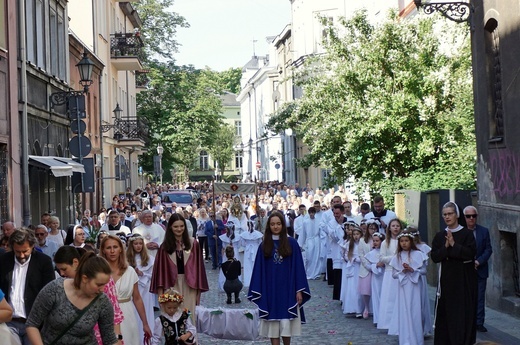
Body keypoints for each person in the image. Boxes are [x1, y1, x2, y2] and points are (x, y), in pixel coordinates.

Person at [25, 252, 118, 345]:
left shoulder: (103, 301)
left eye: (105, 284)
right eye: (99, 285)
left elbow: (109, 338)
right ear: (85, 278)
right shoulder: (55, 289)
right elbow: (32, 324)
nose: (103, 289)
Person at [248, 212, 311, 345]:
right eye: (272, 224)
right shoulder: (264, 245)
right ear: (268, 226)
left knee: (286, 323)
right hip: (270, 290)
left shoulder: (292, 243)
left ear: (283, 225)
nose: (275, 227)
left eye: (278, 224)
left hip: (287, 288)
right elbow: (259, 270)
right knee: (273, 325)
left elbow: (298, 267)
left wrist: (298, 290)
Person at [150, 213, 209, 325]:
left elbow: (198, 270)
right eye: (176, 226)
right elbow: (161, 273)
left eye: (181, 226)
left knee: (190, 319)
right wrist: (161, 295)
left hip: (189, 285)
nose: (179, 229)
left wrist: (198, 294)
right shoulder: (164, 247)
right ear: (171, 227)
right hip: (171, 286)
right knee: (172, 320)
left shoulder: (193, 244)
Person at [431, 201, 477, 345]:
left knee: (462, 315)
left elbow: (470, 254)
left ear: (457, 215)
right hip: (446, 281)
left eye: (450, 214)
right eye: (444, 214)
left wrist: (454, 245)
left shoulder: (467, 234)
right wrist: (445, 247)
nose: (447, 217)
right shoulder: (440, 236)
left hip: (463, 281)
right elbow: (435, 257)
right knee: (446, 316)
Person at [0, 228, 55, 345]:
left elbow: (49, 293)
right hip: (9, 323)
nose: (21, 255)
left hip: (34, 324)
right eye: (17, 251)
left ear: (32, 246)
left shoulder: (44, 262)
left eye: (25, 251)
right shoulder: (3, 261)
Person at [100, 235, 152, 345]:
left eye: (115, 247)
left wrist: (145, 323)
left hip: (127, 314)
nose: (112, 251)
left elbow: (137, 298)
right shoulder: (99, 272)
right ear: (103, 250)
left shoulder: (130, 271)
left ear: (121, 249)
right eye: (109, 248)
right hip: (105, 315)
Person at [390, 232, 428, 345]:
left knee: (415, 310)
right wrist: (402, 271)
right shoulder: (397, 256)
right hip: (403, 287)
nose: (404, 243)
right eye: (401, 241)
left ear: (411, 241)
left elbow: (424, 271)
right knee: (405, 310)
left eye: (406, 241)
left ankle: (417, 339)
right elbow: (394, 274)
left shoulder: (418, 254)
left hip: (415, 286)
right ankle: (406, 339)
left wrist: (413, 270)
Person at [463, 205, 493, 333]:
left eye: (473, 216)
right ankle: (467, 322)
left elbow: (488, 249)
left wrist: (478, 261)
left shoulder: (484, 231)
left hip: (480, 269)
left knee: (480, 297)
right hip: (464, 270)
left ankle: (479, 322)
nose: (471, 219)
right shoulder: (461, 232)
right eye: (468, 216)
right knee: (466, 297)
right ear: (464, 217)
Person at [126, 233, 156, 341]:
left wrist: (142, 274)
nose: (138, 246)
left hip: (145, 288)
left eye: (140, 244)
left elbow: (154, 275)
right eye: (135, 244)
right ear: (131, 245)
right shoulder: (127, 258)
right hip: (131, 289)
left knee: (146, 310)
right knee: (133, 312)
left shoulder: (149, 259)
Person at [377, 218, 403, 330]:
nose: (395, 228)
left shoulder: (403, 241)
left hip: (401, 272)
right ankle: (387, 322)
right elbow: (381, 257)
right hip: (389, 272)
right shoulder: (385, 243)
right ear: (389, 228)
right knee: (389, 297)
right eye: (393, 226)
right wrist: (394, 258)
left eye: (397, 226)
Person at [340, 226, 364, 318]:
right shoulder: (350, 244)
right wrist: (352, 259)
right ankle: (353, 308)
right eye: (354, 234)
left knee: (359, 288)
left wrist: (359, 259)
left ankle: (360, 309)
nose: (356, 236)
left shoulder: (363, 244)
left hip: (361, 267)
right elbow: (346, 255)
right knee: (352, 288)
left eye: (357, 234)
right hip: (352, 267)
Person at [365, 232, 385, 326]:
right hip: (376, 278)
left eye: (377, 241)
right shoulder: (371, 254)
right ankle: (377, 318)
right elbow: (367, 266)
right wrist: (375, 265)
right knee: (376, 296)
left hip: (384, 276)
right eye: (374, 241)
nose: (375, 242)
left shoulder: (384, 252)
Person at [298, 207, 322, 280]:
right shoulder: (306, 222)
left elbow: (321, 232)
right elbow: (303, 233)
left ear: (314, 213)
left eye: (313, 212)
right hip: (309, 241)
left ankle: (316, 273)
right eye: (310, 213)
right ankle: (309, 273)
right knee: (309, 258)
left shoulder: (318, 221)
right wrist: (300, 244)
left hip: (317, 240)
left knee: (317, 257)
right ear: (308, 213)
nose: (311, 214)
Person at [238, 220, 263, 287]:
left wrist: (248, 244)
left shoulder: (245, 234)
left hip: (248, 250)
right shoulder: (258, 234)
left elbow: (243, 244)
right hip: (255, 249)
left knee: (248, 266)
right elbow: (260, 243)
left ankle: (248, 281)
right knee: (254, 265)